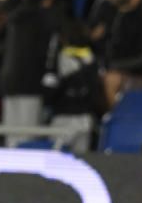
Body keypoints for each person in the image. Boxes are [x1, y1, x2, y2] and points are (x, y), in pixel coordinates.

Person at [0, 0, 60, 147]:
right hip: (30, 85)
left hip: (9, 83)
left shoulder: (15, 17)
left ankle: (13, 173)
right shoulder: (47, 19)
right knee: (26, 141)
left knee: (11, 140)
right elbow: (50, 55)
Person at [43, 19, 101, 154]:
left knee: (59, 162)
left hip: (68, 120)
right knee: (79, 161)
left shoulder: (58, 60)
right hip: (80, 119)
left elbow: (48, 94)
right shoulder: (91, 60)